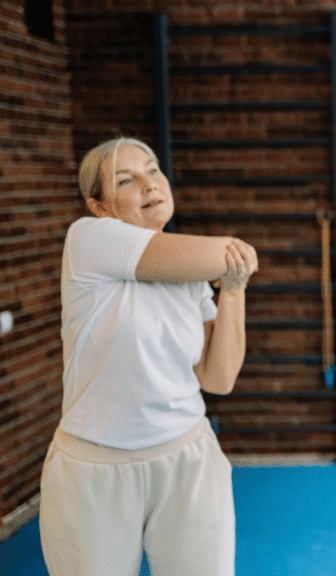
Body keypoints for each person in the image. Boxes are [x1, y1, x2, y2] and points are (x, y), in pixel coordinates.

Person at [39, 137, 258, 576]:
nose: (148, 184)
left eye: (153, 170)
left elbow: (218, 378)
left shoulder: (189, 273)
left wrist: (233, 291)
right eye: (126, 179)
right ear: (99, 206)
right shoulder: (87, 238)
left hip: (188, 459)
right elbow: (230, 252)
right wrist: (233, 258)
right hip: (94, 469)